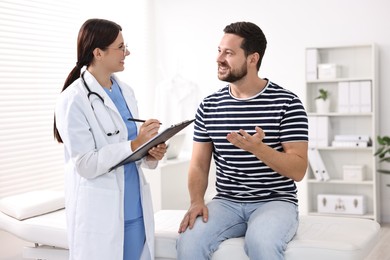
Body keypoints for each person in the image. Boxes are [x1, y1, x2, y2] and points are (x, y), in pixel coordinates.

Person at [176, 21, 308, 260]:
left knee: (262, 244)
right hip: (226, 202)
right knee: (189, 242)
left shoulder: (287, 103)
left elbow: (298, 169)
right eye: (219, 50)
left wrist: (259, 149)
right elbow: (198, 164)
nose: (219, 58)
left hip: (275, 201)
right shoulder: (209, 106)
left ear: (252, 58)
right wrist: (196, 201)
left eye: (229, 53)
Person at [53, 18, 167, 260]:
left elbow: (130, 149)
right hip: (100, 211)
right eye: (121, 47)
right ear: (98, 53)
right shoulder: (73, 99)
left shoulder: (126, 91)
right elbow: (85, 164)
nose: (127, 52)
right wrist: (136, 144)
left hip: (134, 207)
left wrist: (149, 152)